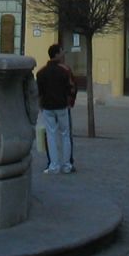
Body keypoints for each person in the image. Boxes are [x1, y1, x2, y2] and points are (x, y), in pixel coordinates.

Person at [35, 43, 76, 175]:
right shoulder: (65, 70)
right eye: (62, 51)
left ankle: (54, 166)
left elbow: (38, 91)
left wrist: (40, 105)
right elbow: (72, 87)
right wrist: (70, 102)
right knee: (65, 135)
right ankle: (67, 165)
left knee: (51, 136)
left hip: (47, 107)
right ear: (57, 54)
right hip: (62, 106)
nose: (63, 54)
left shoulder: (41, 72)